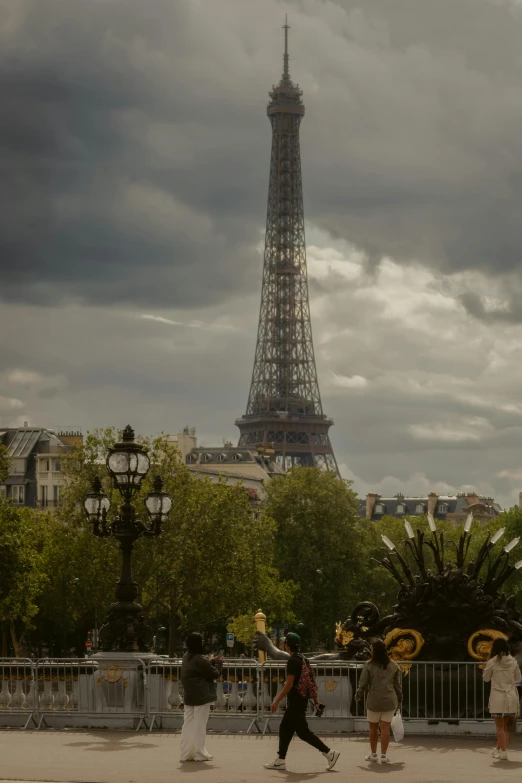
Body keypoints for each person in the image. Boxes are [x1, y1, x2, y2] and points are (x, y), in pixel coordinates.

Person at [263, 632, 340, 772]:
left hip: (295, 701)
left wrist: (276, 701)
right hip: (302, 700)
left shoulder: (293, 661)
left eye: (285, 643)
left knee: (301, 732)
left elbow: (289, 684)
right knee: (289, 730)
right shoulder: (304, 659)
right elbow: (311, 683)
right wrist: (316, 701)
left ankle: (329, 753)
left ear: (287, 645)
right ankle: (281, 760)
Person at [355, 640, 402, 764]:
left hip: (374, 701)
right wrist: (400, 698)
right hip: (390, 700)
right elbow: (397, 686)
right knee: (385, 728)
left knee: (373, 728)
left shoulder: (369, 665)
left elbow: (363, 684)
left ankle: (373, 754)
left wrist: (358, 695)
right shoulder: (394, 665)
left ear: (374, 651)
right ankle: (384, 755)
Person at [180, 632, 223, 763]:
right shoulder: (200, 659)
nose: (203, 643)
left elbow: (200, 666)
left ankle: (186, 753)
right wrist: (219, 663)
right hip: (202, 696)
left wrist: (211, 661)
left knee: (188, 725)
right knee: (200, 726)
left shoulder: (186, 656)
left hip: (189, 696)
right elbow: (214, 673)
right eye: (202, 641)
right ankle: (200, 753)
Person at [483, 637, 521, 760]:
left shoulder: (492, 662)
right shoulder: (513, 661)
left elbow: (486, 678)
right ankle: (498, 748)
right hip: (511, 697)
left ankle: (503, 751)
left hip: (498, 697)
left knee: (499, 727)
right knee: (505, 727)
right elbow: (518, 677)